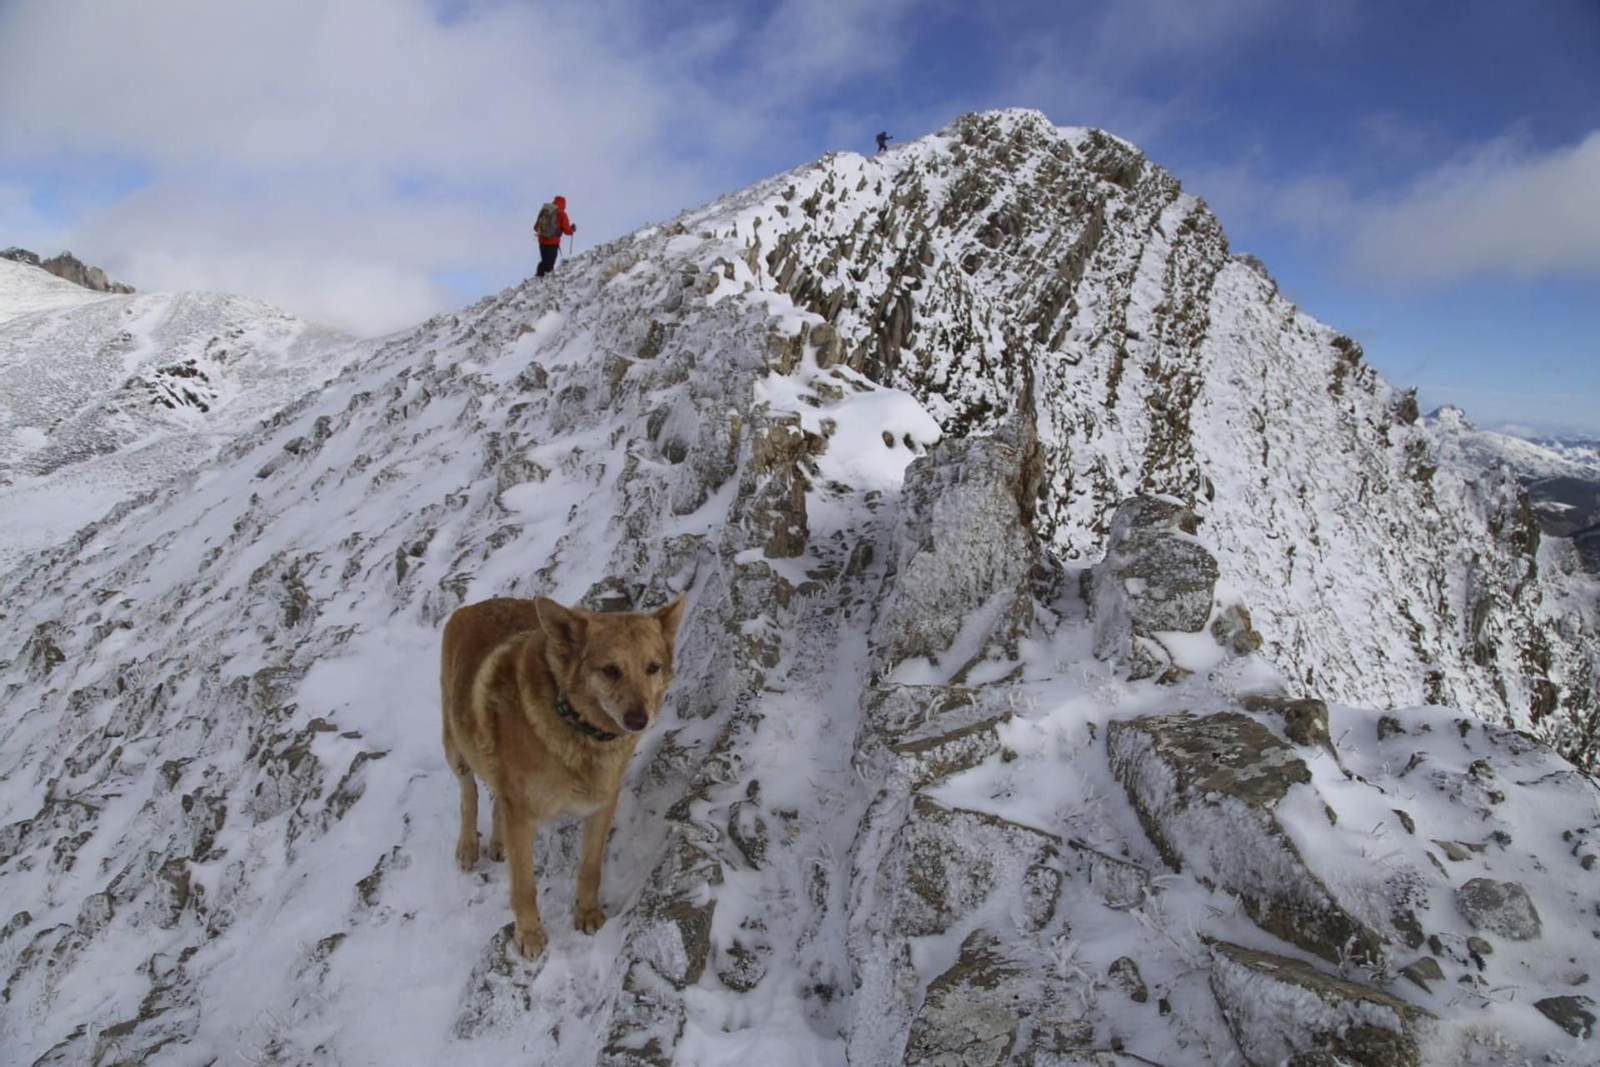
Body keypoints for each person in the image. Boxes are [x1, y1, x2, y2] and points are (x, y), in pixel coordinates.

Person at [535, 195, 576, 278]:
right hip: (552, 243)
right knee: (549, 265)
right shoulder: (562, 214)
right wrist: (572, 230)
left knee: (545, 261)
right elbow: (567, 231)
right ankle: (542, 280)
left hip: (542, 241)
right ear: (564, 205)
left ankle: (538, 277)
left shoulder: (545, 210)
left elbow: (535, 227)